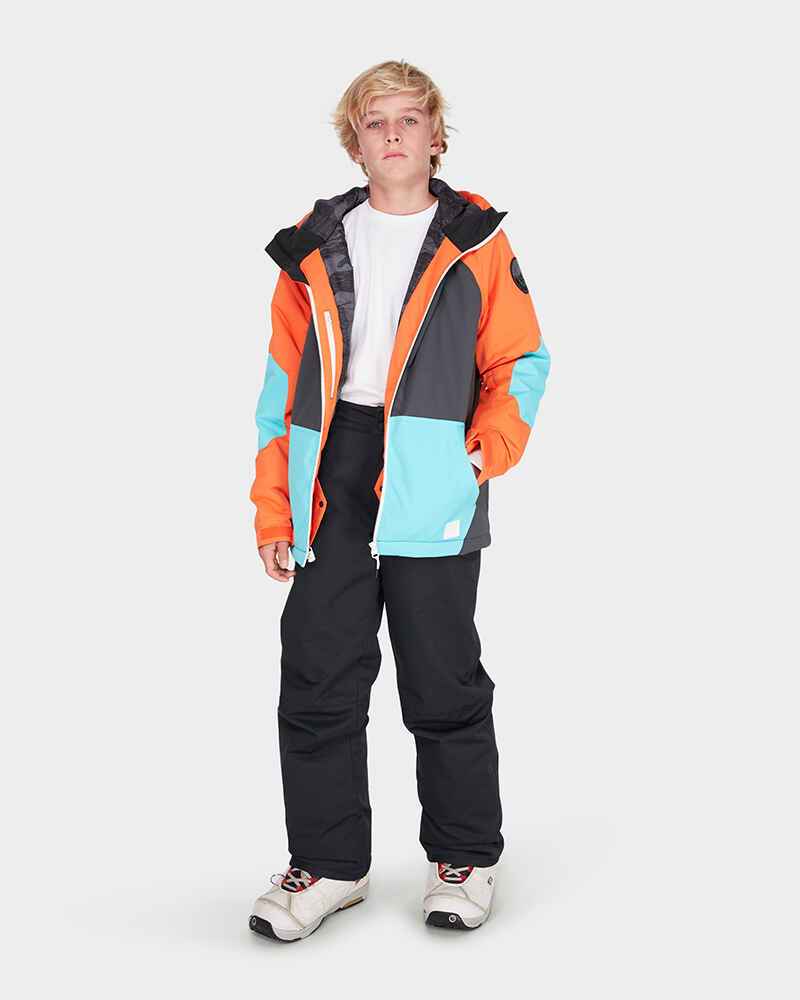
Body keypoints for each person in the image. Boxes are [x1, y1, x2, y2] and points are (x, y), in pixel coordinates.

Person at [247, 59, 551, 942]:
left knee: (441, 670)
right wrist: (275, 508)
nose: (392, 133)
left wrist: (483, 451)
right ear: (355, 141)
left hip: (434, 464)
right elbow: (280, 390)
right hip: (331, 467)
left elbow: (520, 359)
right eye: (375, 120)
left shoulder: (476, 241)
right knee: (318, 670)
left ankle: (464, 856)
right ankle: (329, 864)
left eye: (409, 119)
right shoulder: (311, 247)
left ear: (434, 136)